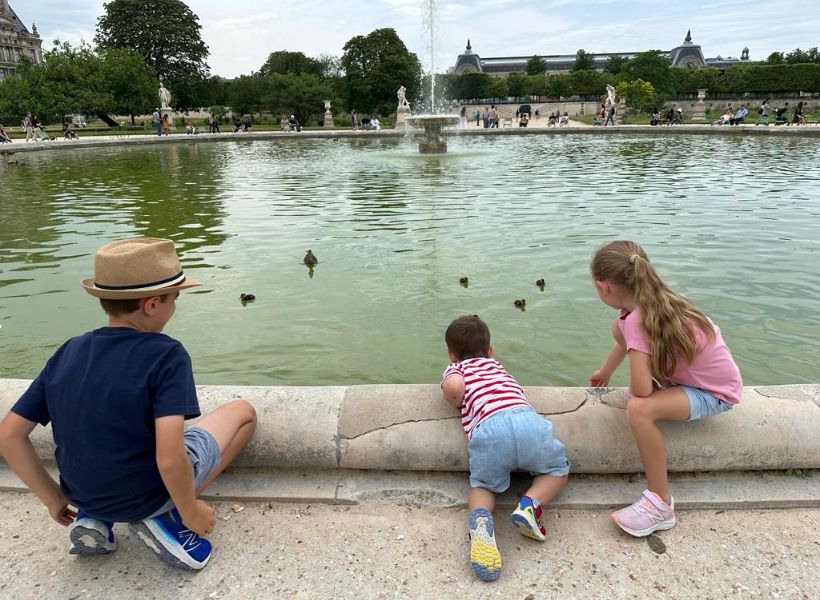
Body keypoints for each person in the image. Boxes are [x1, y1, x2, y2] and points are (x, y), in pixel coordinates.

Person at [0, 237, 257, 570]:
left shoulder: (68, 350)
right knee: (243, 414)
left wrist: (54, 498)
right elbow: (168, 456)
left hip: (83, 493)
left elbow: (9, 435)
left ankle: (96, 517)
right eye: (174, 297)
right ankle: (166, 516)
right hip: (147, 493)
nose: (176, 306)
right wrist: (191, 510)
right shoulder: (167, 354)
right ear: (152, 305)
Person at [589, 240, 742, 538]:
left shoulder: (636, 320)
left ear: (603, 287)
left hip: (714, 393)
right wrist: (606, 371)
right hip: (707, 379)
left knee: (638, 409)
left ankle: (660, 503)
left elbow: (642, 391)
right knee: (616, 327)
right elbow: (629, 338)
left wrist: (642, 387)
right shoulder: (656, 299)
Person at [441, 315, 569, 582]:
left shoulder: (457, 369)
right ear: (490, 351)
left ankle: (480, 523)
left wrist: (454, 393)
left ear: (451, 355)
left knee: (483, 487)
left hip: (490, 432)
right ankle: (529, 504)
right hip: (528, 421)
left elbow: (454, 390)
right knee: (558, 469)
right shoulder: (497, 366)